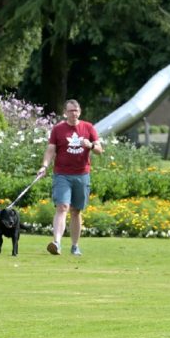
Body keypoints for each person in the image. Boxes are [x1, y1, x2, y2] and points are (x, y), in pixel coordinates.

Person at [36, 99, 103, 256]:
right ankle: (57, 243)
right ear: (65, 112)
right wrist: (44, 166)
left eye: (77, 110)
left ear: (80, 112)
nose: (74, 113)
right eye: (71, 110)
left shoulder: (88, 127)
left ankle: (74, 246)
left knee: (76, 211)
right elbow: (50, 150)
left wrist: (91, 145)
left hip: (82, 175)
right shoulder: (58, 129)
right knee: (62, 207)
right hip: (62, 175)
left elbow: (100, 149)